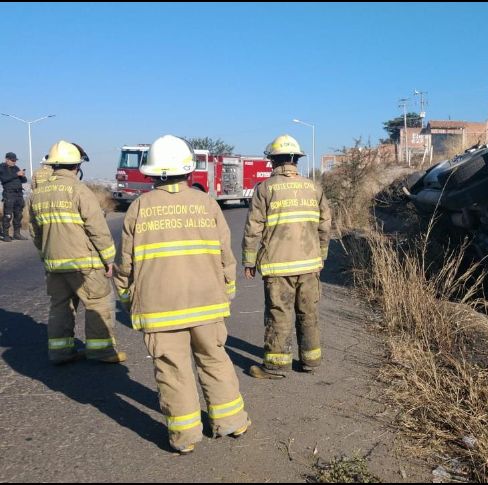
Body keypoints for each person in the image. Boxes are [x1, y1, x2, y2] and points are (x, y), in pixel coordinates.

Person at [114, 135, 249, 454]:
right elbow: (225, 255)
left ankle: (185, 436)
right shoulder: (207, 203)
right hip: (207, 302)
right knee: (215, 359)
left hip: (159, 308)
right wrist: (226, 292)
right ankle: (231, 421)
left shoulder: (139, 207)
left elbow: (125, 265)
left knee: (173, 370)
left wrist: (126, 299)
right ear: (189, 170)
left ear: (152, 173)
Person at [242, 134, 331, 378]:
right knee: (308, 313)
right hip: (310, 265)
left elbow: (253, 227)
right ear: (296, 160)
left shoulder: (265, 189)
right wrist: (321, 256)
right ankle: (310, 361)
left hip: (278, 266)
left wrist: (249, 261)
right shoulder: (313, 187)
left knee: (279, 314)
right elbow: (325, 224)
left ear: (273, 160)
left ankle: (276, 366)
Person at [28, 141, 126, 365]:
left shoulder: (37, 194)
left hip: (54, 263)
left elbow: (35, 232)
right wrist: (109, 259)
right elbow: (97, 229)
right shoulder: (79, 190)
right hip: (84, 263)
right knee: (98, 303)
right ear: (77, 166)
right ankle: (101, 351)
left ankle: (60, 352)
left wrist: (45, 256)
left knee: (60, 306)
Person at [1, 152, 28, 242]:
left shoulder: (16, 168)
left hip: (19, 194)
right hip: (9, 194)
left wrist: (22, 175)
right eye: (12, 160)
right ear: (7, 159)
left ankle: (17, 234)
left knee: (18, 215)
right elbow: (4, 179)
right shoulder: (2, 167)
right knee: (8, 215)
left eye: (15, 160)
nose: (14, 162)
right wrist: (16, 174)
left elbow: (24, 180)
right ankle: (5, 235)